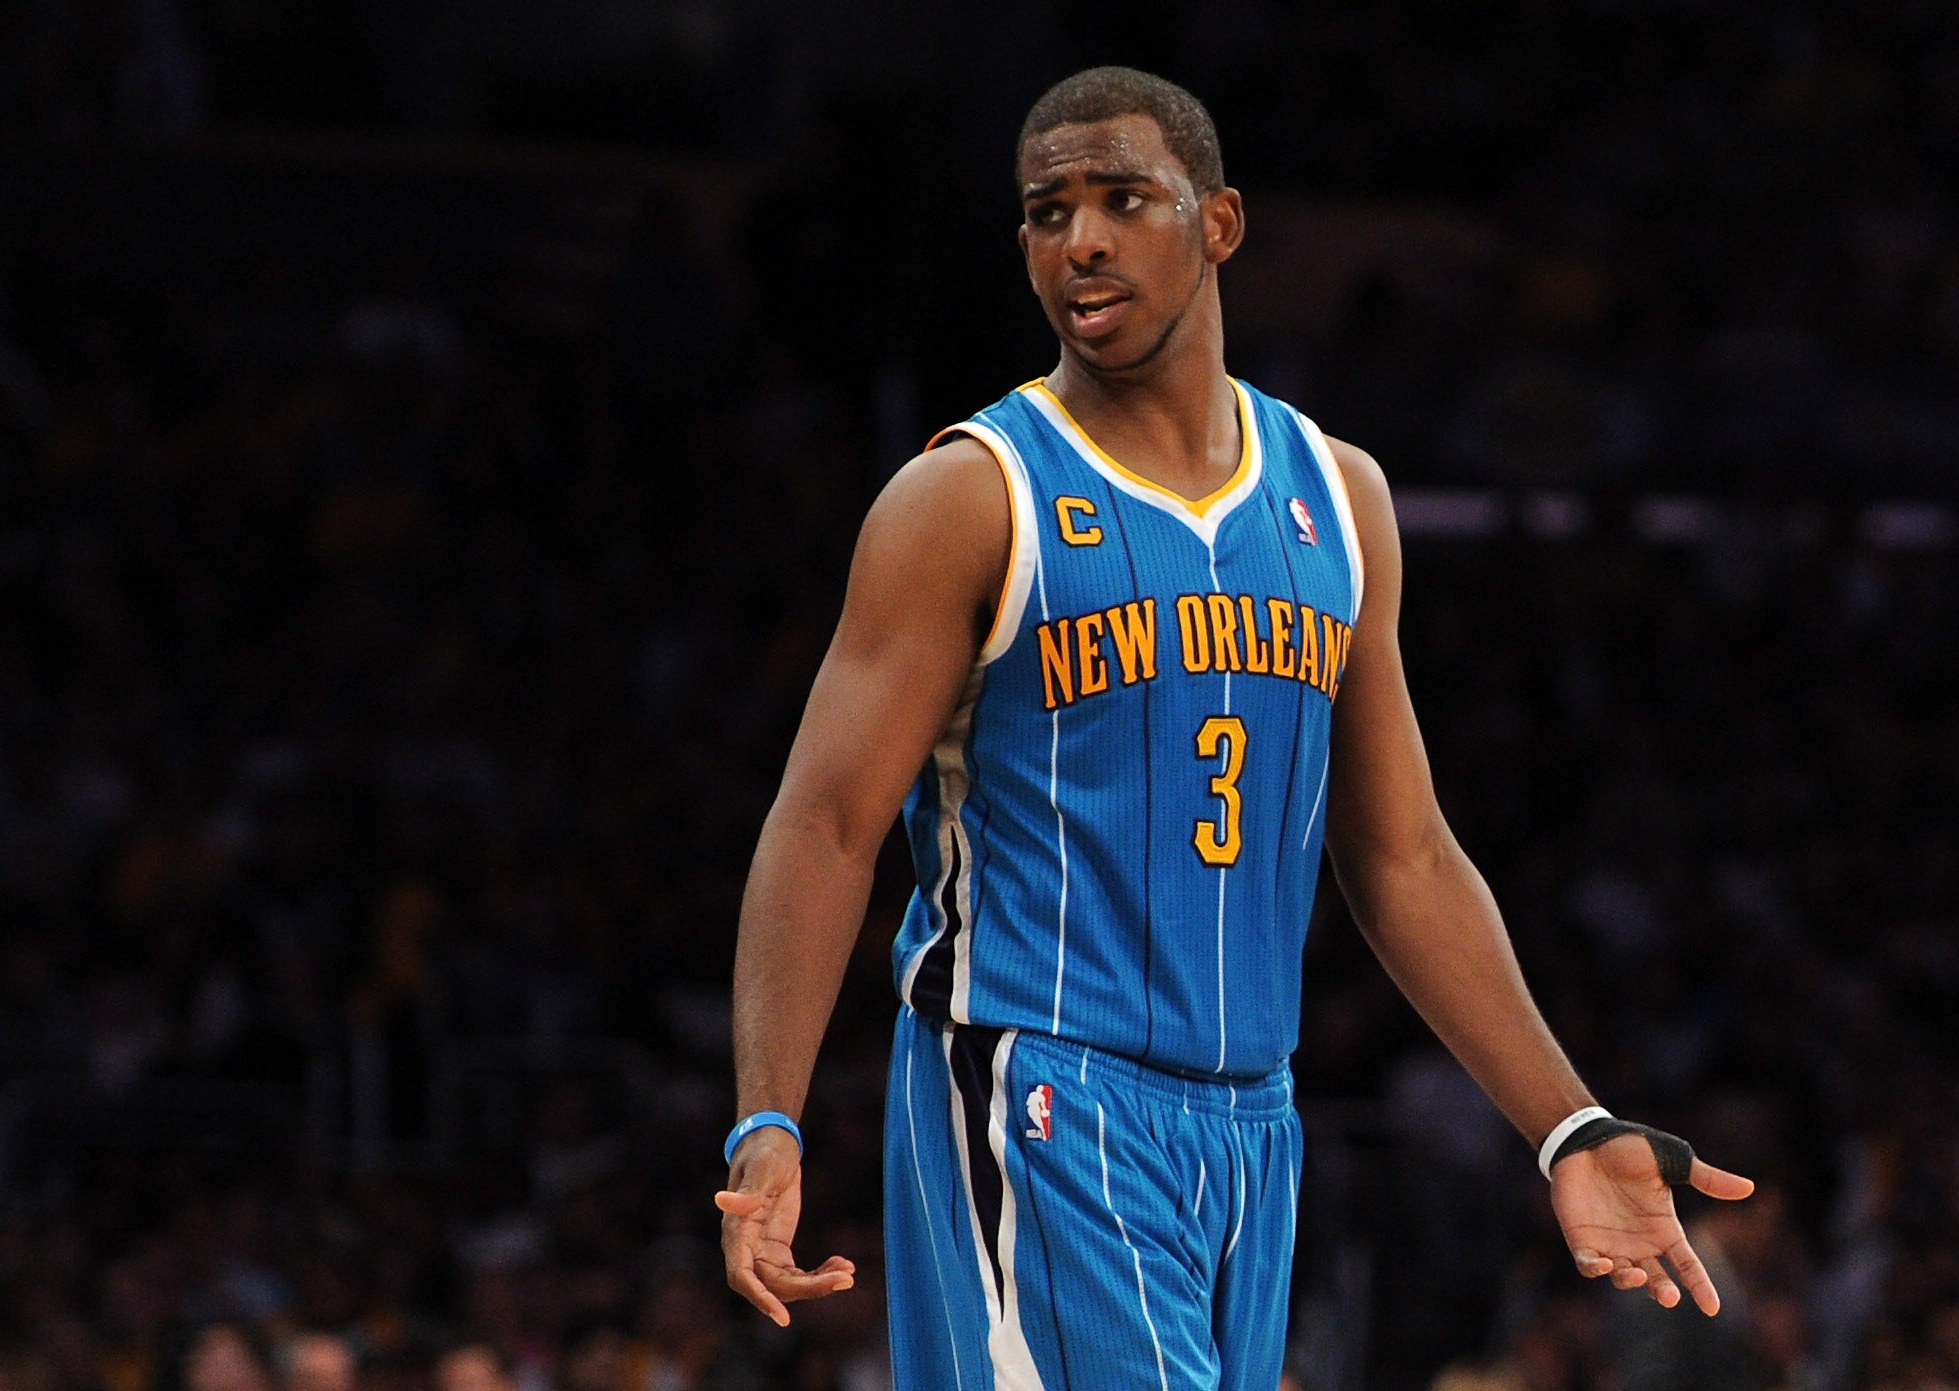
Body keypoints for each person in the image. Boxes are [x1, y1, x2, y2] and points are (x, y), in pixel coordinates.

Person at [715, 66, 1756, 1388]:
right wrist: (769, 1118)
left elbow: (1404, 859)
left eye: (1120, 199)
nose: (1079, 238)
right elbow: (826, 819)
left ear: (1219, 225)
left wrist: (1567, 1124)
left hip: (1252, 1124)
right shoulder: (970, 499)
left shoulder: (1341, 495)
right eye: (1046, 211)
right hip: (1038, 1090)